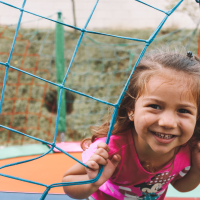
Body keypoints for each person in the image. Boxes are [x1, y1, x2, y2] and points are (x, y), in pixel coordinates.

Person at [62, 49, 200, 200]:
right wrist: (92, 182)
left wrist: (197, 170)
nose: (167, 122)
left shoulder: (190, 148)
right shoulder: (110, 150)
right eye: (154, 106)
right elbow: (68, 183)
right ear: (131, 109)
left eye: (183, 110)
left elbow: (179, 186)